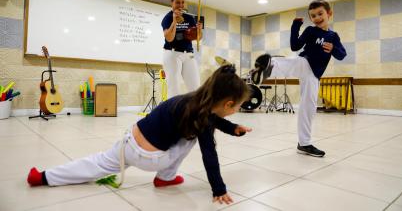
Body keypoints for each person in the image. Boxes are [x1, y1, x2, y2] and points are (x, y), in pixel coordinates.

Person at [27, 65, 252, 205]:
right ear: (229, 103)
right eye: (238, 106)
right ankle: (165, 178)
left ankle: (44, 177)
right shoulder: (202, 117)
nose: (236, 110)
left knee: (96, 163)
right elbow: (209, 156)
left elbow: (214, 118)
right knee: (192, 138)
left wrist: (232, 128)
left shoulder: (194, 101)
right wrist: (219, 189)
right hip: (151, 158)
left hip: (128, 143)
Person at [252, 0, 347, 157]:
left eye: (320, 13)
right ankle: (269, 67)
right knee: (294, 62)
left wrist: (333, 48)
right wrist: (295, 27)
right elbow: (295, 46)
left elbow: (342, 55)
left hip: (315, 75)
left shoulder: (333, 36)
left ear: (329, 13)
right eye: (313, 15)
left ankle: (304, 143)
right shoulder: (310, 31)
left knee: (308, 108)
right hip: (305, 62)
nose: (317, 17)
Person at [162, 0, 202, 98]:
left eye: (183, 2)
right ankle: (173, 113)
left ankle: (196, 113)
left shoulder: (189, 18)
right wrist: (174, 21)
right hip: (172, 54)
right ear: (172, 3)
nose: (180, 5)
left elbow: (197, 38)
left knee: (196, 88)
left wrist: (198, 31)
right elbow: (169, 38)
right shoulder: (167, 18)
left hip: (188, 54)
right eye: (177, 2)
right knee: (174, 87)